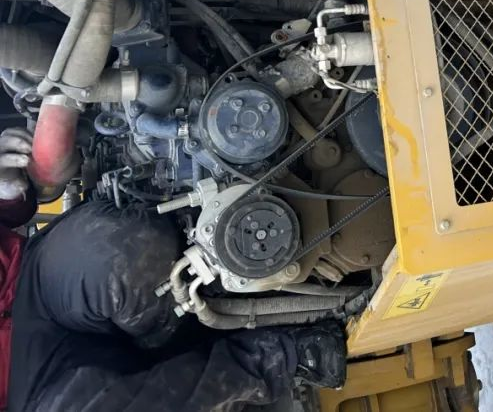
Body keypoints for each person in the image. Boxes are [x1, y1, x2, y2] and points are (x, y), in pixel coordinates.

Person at [0, 127, 347, 412]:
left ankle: (210, 288)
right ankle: (283, 357)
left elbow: (12, 213)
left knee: (117, 250)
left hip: (29, 280)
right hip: (29, 391)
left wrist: (4, 191)